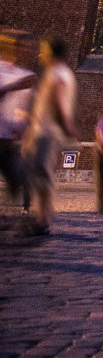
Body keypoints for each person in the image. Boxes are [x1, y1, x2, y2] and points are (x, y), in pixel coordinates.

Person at [22, 36, 76, 236]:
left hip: (46, 131)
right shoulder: (61, 72)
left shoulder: (57, 73)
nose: (40, 54)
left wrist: (66, 123)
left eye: (43, 50)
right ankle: (42, 216)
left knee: (40, 173)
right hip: (44, 130)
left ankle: (42, 218)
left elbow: (57, 95)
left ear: (52, 53)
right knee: (39, 172)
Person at [0, 32, 35, 209]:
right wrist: (16, 86)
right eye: (22, 47)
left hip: (10, 140)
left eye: (29, 48)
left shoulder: (28, 75)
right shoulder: (1, 69)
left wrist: (25, 127)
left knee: (16, 183)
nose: (26, 51)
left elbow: (28, 108)